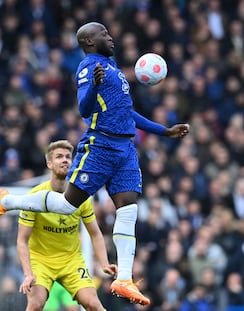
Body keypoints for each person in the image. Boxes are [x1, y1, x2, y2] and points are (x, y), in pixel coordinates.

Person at [0, 21, 190, 305]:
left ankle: (124, 278)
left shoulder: (113, 70)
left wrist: (163, 131)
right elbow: (83, 108)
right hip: (101, 144)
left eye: (109, 33)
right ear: (89, 42)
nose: (110, 37)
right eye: (103, 34)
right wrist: (95, 86)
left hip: (126, 147)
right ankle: (9, 200)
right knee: (67, 205)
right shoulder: (89, 68)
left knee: (129, 207)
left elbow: (128, 112)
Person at [17, 140, 117, 311]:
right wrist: (28, 274)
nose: (65, 160)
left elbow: (95, 233)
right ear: (49, 163)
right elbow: (21, 240)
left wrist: (104, 263)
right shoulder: (33, 196)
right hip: (41, 261)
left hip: (71, 261)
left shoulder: (81, 196)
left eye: (68, 157)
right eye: (59, 157)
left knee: (94, 304)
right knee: (36, 304)